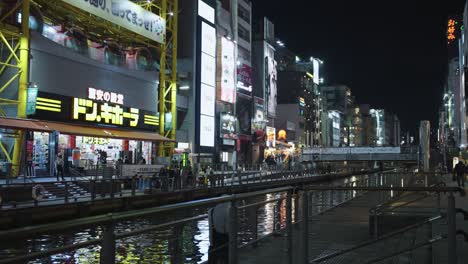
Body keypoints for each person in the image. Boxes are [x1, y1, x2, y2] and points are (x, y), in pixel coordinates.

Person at [208, 199, 231, 264]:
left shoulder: (211, 211)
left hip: (213, 242)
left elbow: (210, 230)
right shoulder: (228, 210)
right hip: (224, 242)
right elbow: (228, 230)